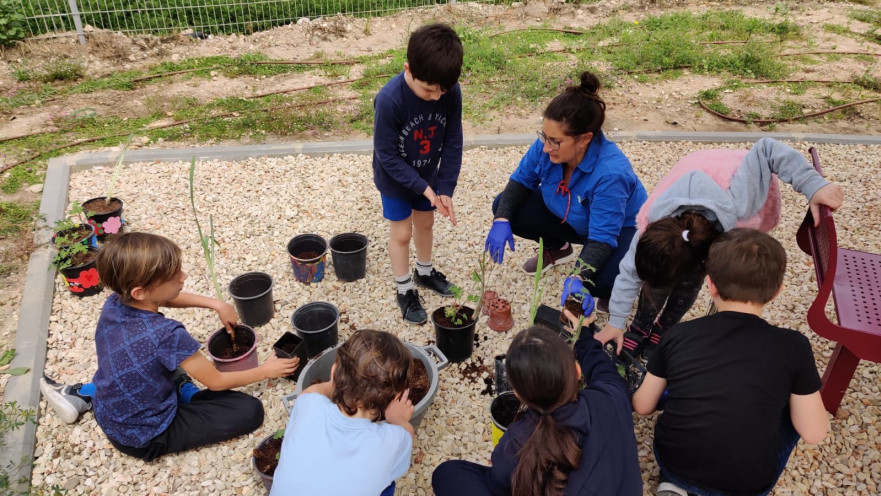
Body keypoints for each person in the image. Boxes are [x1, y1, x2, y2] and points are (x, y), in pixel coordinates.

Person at [39, 232, 298, 461]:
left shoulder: (116, 303)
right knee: (249, 410)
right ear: (140, 292)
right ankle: (185, 394)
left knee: (165, 364)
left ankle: (84, 394)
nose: (183, 276)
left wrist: (217, 304)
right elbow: (217, 381)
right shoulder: (166, 335)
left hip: (112, 412)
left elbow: (162, 299)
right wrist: (267, 370)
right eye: (174, 275)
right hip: (146, 436)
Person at [596, 138, 844, 360]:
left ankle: (664, 329)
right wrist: (616, 323)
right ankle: (640, 326)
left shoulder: (742, 201)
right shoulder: (651, 230)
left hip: (729, 178)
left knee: (688, 283)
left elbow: (767, 149)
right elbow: (629, 274)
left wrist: (812, 184)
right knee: (659, 277)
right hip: (695, 174)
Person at [632, 228, 829, 496]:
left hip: (675, 463)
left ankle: (673, 485)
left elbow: (642, 405)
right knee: (792, 403)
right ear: (777, 292)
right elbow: (814, 433)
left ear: (710, 285)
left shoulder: (679, 335)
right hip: (745, 483)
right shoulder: (794, 346)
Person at [484, 71, 646, 314]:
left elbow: (603, 236)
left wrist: (578, 278)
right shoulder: (548, 145)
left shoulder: (611, 173)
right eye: (544, 137)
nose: (546, 147)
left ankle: (617, 284)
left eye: (555, 141)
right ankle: (559, 248)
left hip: (621, 228)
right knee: (505, 206)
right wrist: (502, 218)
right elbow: (522, 180)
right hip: (574, 217)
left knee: (601, 283)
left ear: (584, 139)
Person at [432, 321, 643, 496]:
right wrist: (584, 334)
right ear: (577, 371)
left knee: (448, 473)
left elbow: (497, 483)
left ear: (518, 394)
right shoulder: (610, 396)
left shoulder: (519, 441)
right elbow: (602, 368)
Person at [372, 23, 465, 325]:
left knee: (425, 222)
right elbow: (386, 155)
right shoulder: (389, 100)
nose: (437, 97)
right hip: (395, 178)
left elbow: (452, 141)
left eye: (443, 90)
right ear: (408, 69)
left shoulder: (450, 93)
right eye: (429, 89)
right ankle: (404, 288)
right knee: (402, 233)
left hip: (428, 173)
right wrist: (423, 188)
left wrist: (445, 188)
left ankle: (424, 272)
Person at [270, 329, 414, 496]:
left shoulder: (308, 404)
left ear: (333, 372)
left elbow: (311, 392)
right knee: (387, 484)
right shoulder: (390, 442)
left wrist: (337, 383)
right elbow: (408, 434)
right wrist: (399, 419)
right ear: (394, 398)